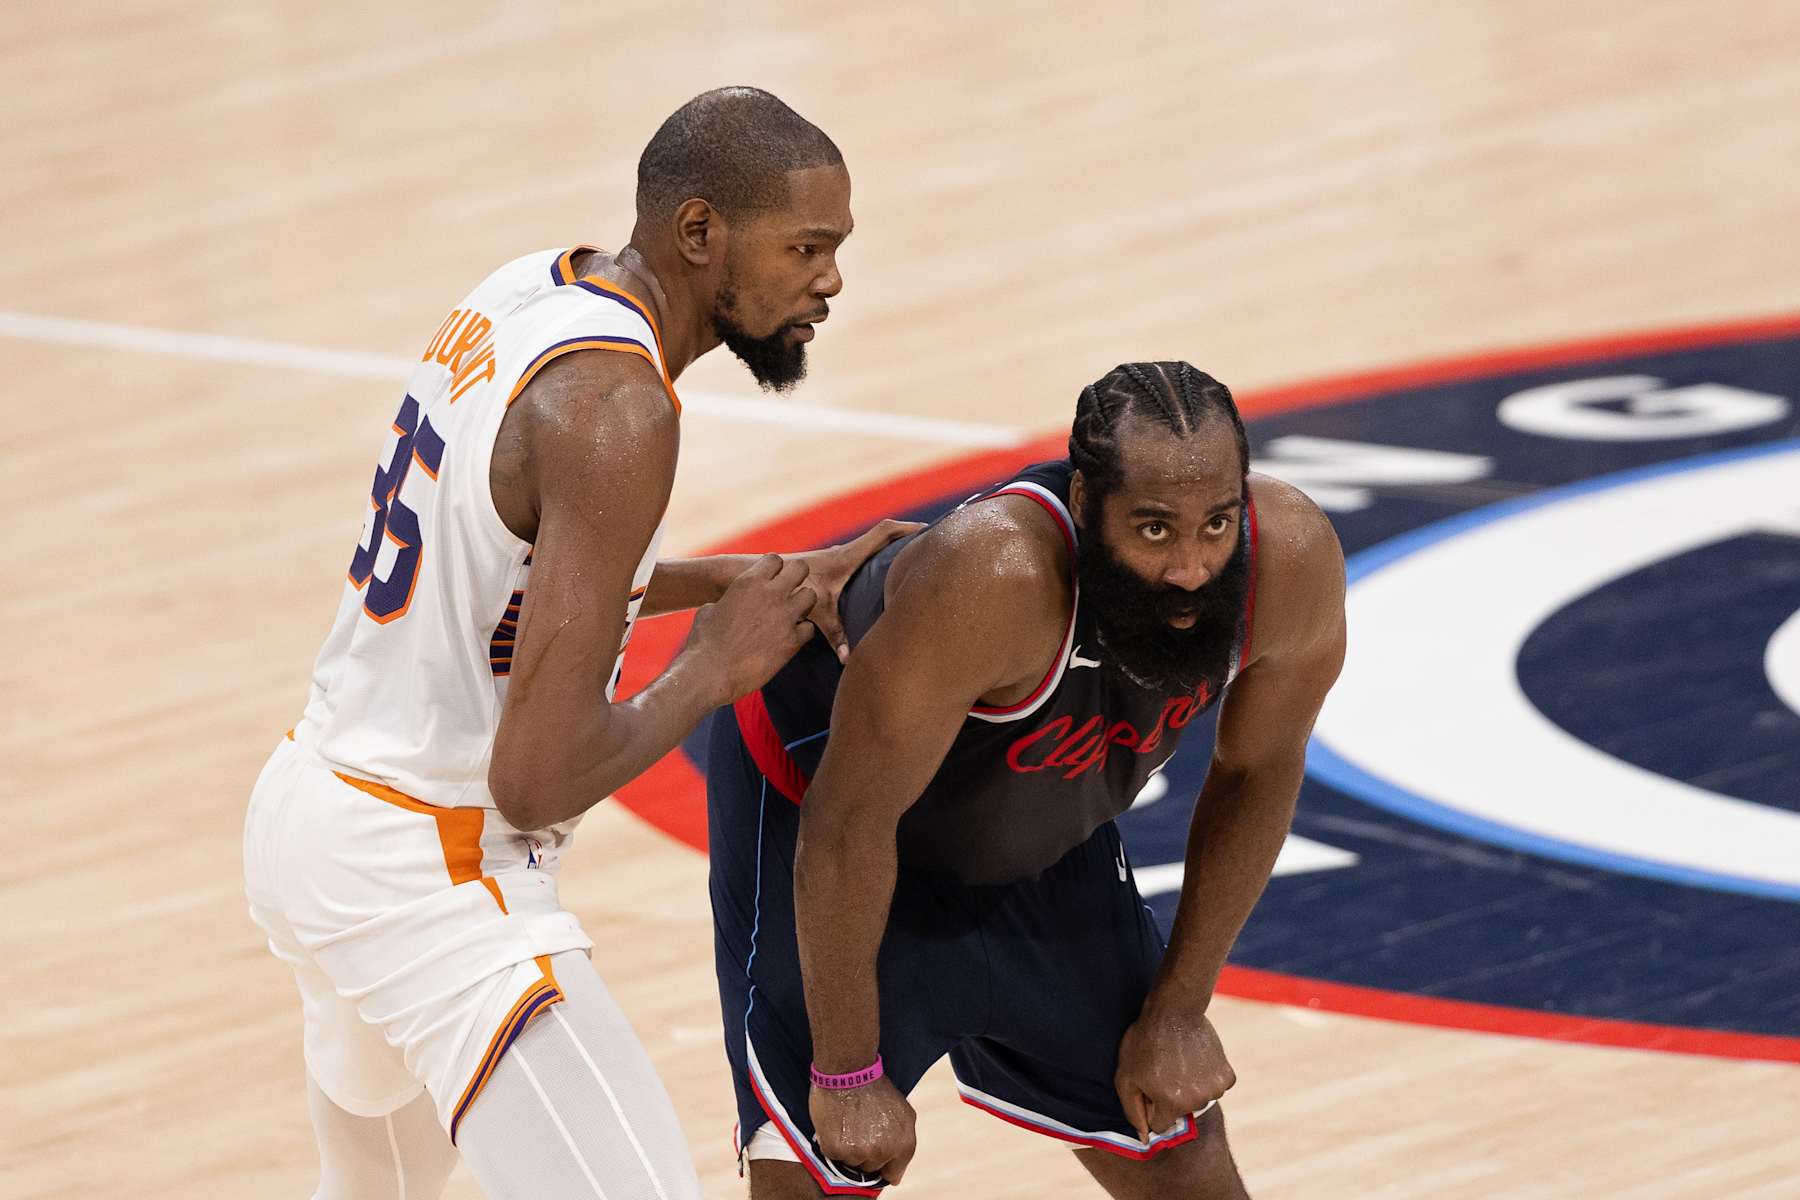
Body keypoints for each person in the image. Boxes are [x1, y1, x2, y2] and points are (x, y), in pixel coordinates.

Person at [243, 86, 908, 1200]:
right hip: (431, 871)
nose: (830, 280)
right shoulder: (621, 414)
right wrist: (715, 664)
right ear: (701, 235)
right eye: (806, 248)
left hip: (314, 813)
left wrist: (747, 583)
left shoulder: (533, 290)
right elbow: (538, 774)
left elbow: (513, 574)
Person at [706, 362, 1348, 1198]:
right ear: (1085, 507)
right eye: (1155, 531)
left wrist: (1179, 1008)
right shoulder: (996, 576)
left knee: (1190, 1167)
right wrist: (843, 1073)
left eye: (1217, 522)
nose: (1192, 566)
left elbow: (1260, 768)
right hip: (826, 817)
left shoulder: (1288, 561)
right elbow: (846, 824)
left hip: (1031, 824)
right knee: (822, 1174)